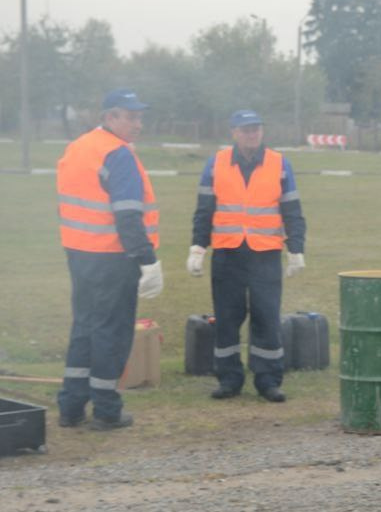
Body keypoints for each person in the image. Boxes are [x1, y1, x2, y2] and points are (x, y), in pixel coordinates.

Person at [55, 88, 163, 431]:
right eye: (130, 116)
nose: (138, 124)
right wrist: (148, 259)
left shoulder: (78, 147)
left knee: (84, 327)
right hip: (113, 256)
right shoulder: (117, 154)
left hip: (79, 253)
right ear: (109, 117)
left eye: (139, 116)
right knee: (111, 333)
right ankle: (106, 409)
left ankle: (71, 406)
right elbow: (128, 216)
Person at [188, 110, 306, 402]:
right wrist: (198, 247)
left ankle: (268, 380)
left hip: (265, 254)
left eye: (255, 129)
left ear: (262, 132)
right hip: (228, 252)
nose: (251, 134)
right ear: (234, 133)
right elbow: (205, 210)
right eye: (245, 130)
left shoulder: (279, 164)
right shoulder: (216, 164)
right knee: (227, 319)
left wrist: (296, 248)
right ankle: (229, 379)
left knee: (266, 317)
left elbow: (292, 210)